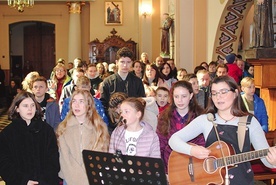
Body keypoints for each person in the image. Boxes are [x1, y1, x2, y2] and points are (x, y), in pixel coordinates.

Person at [169, 76, 276, 184]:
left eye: (223, 92)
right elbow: (173, 140)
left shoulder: (250, 122)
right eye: (214, 93)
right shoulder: (206, 120)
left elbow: (266, 159)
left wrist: (273, 161)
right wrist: (192, 150)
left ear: (235, 93)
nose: (218, 97)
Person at [0, 91, 60, 185]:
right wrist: (23, 181)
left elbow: (53, 159)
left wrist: (43, 181)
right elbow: (4, 163)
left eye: (32, 105)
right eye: (25, 106)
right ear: (17, 109)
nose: (30, 109)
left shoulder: (46, 130)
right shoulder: (7, 134)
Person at [56, 89, 110, 185]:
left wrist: (88, 177)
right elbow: (64, 158)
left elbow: (99, 156)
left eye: (81, 101)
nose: (76, 105)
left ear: (89, 105)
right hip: (70, 178)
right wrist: (77, 178)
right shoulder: (63, 128)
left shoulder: (99, 128)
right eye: (74, 101)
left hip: (92, 178)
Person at [156, 80, 204, 173]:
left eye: (184, 96)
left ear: (191, 96)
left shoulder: (200, 117)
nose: (179, 100)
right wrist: (162, 171)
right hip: (169, 165)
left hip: (194, 166)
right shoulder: (164, 116)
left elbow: (202, 143)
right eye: (176, 96)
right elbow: (160, 144)